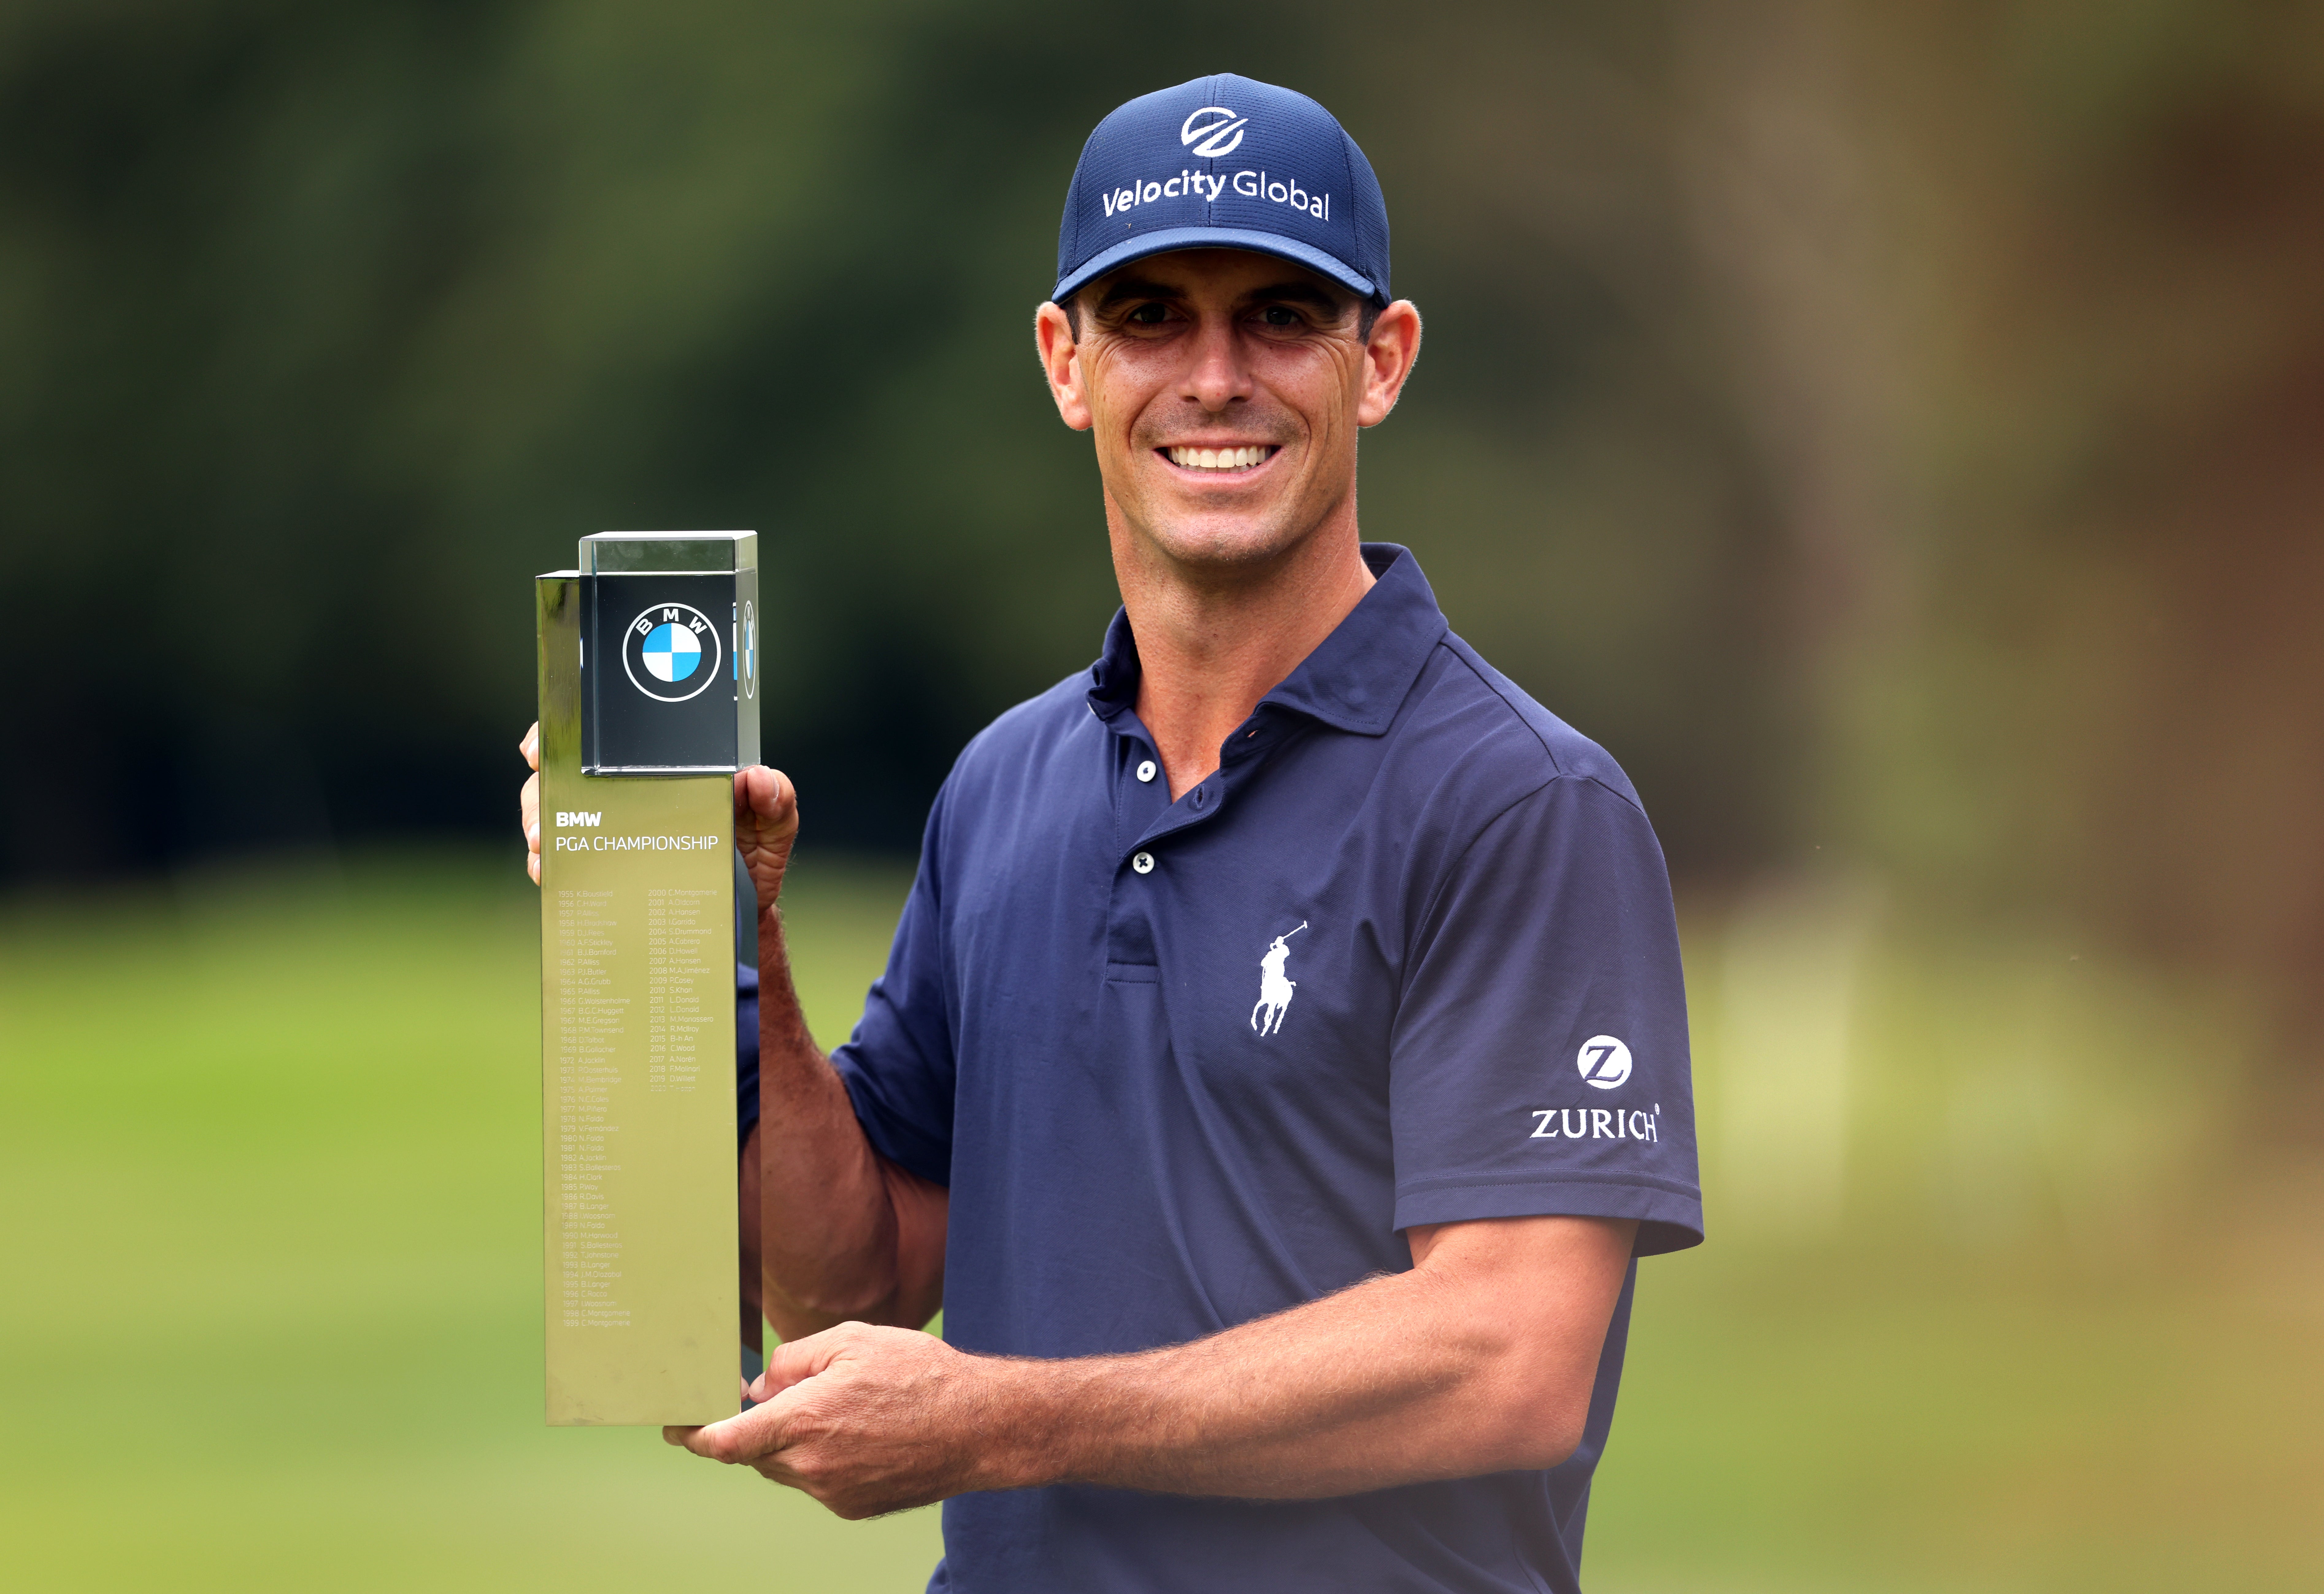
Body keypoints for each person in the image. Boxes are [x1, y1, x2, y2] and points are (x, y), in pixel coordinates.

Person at [520, 73, 1701, 1594]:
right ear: (1064, 362)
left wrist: (1007, 1419)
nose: (1214, 377)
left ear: (1382, 361)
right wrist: (709, 942)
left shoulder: (1519, 804)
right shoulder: (1008, 782)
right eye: (1148, 318)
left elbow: (1507, 1356)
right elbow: (855, 1280)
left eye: (1280, 316)